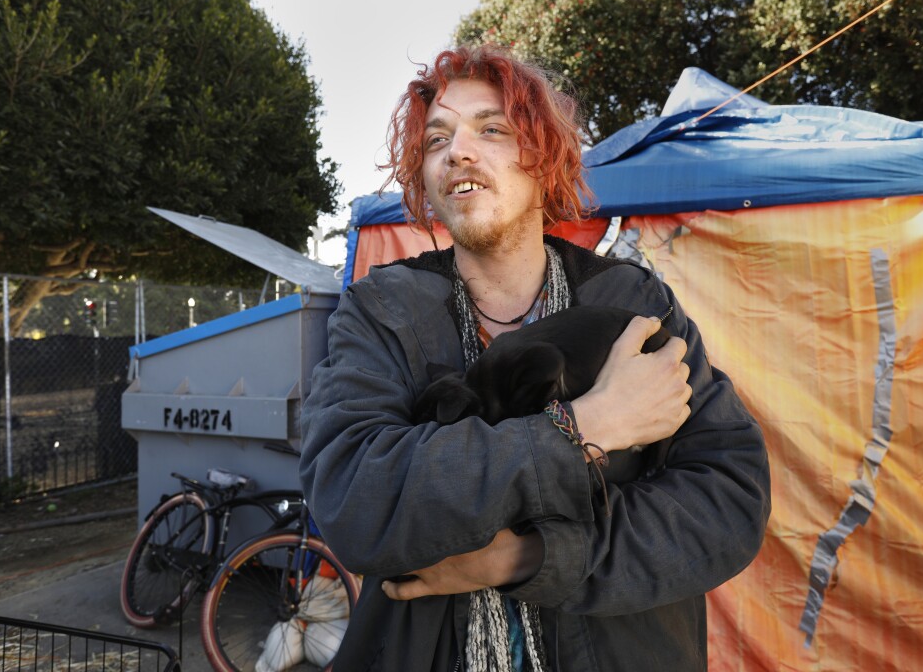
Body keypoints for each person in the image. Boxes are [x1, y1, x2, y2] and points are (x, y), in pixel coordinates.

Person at [300, 44, 770, 671]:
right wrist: (587, 430)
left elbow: (729, 498)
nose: (458, 150)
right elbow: (354, 498)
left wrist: (525, 558)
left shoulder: (631, 302)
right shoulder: (382, 310)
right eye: (437, 140)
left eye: (490, 129)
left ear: (542, 156)